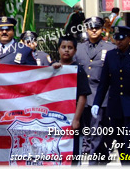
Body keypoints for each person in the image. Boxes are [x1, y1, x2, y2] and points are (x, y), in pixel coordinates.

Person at [91, 26, 130, 165]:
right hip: (116, 106)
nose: (119, 42)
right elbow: (104, 82)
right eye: (116, 38)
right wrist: (96, 102)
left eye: (122, 38)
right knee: (120, 143)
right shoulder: (111, 55)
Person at [74, 17, 115, 165]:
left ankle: (93, 162)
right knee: (90, 129)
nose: (93, 30)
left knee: (96, 129)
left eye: (96, 27)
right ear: (86, 29)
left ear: (102, 29)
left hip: (102, 96)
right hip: (83, 97)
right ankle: (102, 156)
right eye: (91, 28)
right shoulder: (78, 48)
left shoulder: (110, 48)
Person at [52, 36, 91, 165]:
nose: (66, 50)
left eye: (70, 48)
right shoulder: (51, 69)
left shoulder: (78, 70)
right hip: (54, 121)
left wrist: (76, 119)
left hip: (71, 120)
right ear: (58, 49)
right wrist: (52, 69)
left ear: (75, 50)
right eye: (63, 47)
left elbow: (83, 96)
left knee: (73, 156)